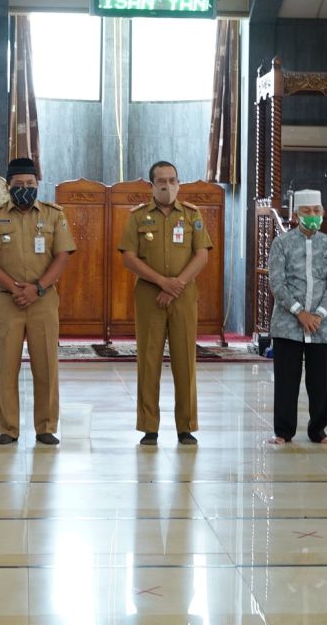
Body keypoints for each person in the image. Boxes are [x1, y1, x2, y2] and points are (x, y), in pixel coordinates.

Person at [0, 158, 75, 446]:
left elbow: (63, 256)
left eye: (30, 184)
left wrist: (38, 288)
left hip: (43, 300)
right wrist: (13, 287)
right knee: (6, 366)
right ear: (8, 187)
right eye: (19, 185)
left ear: (37, 185)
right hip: (7, 301)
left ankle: (45, 427)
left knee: (46, 365)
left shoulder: (54, 215)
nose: (25, 189)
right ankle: (8, 428)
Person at [119, 160, 213, 446]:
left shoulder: (192, 215)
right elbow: (129, 257)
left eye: (172, 180)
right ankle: (149, 427)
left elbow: (202, 255)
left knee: (185, 361)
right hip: (150, 296)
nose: (167, 186)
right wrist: (163, 282)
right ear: (151, 185)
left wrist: (176, 285)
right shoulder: (137, 217)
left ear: (179, 183)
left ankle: (186, 426)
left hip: (183, 297)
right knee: (149, 361)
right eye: (161, 181)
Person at [266, 189, 327, 445]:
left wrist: (317, 315)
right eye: (306, 211)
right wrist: (300, 312)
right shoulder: (282, 243)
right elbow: (277, 282)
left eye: (316, 211)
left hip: (323, 324)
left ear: (323, 213)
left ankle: (318, 430)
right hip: (288, 324)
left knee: (322, 382)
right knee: (287, 381)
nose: (312, 216)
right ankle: (283, 431)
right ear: (296, 215)